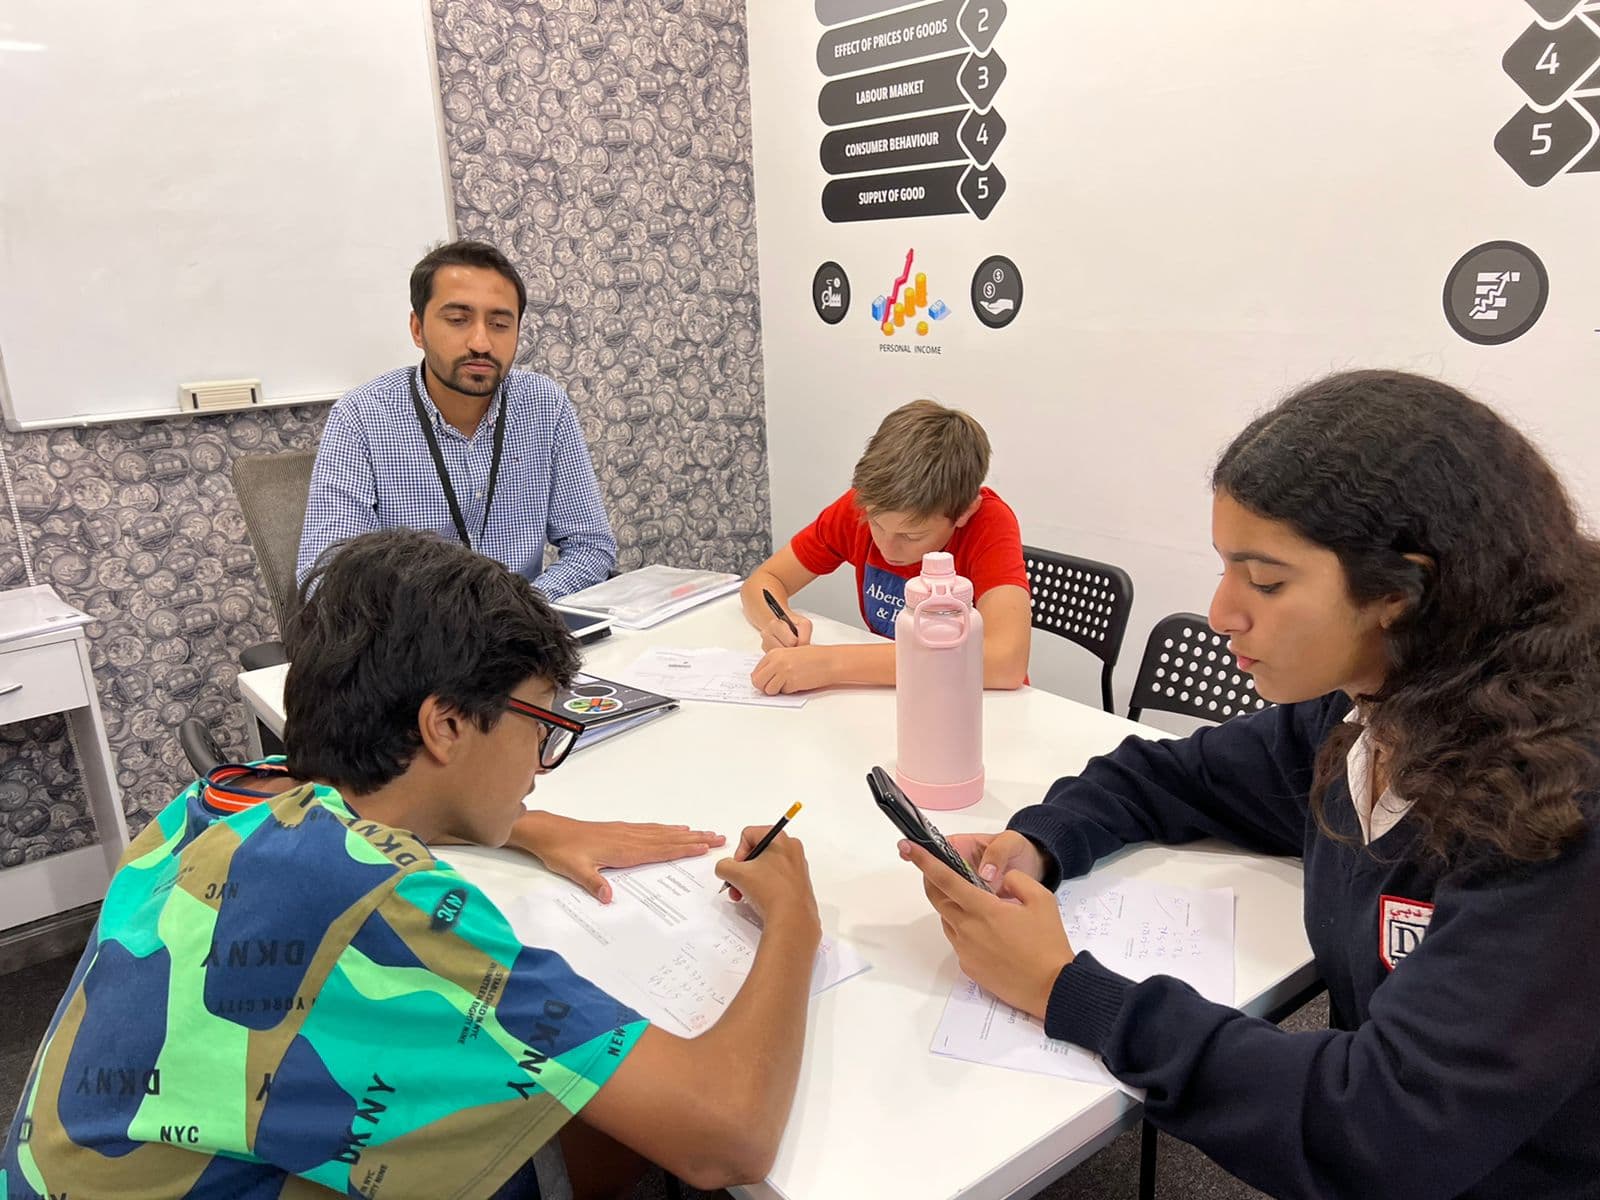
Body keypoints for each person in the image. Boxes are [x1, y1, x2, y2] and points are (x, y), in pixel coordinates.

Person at [902, 370, 1600, 1199]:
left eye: (1265, 581)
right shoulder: (1363, 714)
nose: (1223, 610)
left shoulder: (1557, 809)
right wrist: (1041, 841)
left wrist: (1069, 991)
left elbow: (1385, 1127)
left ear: (1401, 593)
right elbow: (1170, 774)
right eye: (1228, 570)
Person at [2, 529, 820, 1199]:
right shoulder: (384, 911)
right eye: (541, 726)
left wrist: (525, 828)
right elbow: (727, 1140)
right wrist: (794, 920)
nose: (541, 763)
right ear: (446, 727)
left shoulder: (217, 800)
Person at [297, 240, 616, 599]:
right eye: (458, 320)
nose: (481, 342)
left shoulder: (544, 405)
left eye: (498, 323)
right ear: (417, 329)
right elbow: (326, 580)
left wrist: (524, 613)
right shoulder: (362, 417)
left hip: (523, 635)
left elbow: (592, 547)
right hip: (418, 641)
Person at [741, 398, 1031, 694]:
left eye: (911, 536)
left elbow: (1005, 663)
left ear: (964, 513)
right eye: (876, 524)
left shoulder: (988, 522)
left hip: (973, 703)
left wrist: (831, 665)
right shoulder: (863, 506)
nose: (887, 547)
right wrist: (777, 622)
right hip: (897, 694)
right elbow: (765, 581)